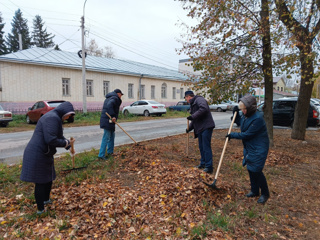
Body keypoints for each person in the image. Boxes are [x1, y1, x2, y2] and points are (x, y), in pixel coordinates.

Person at [20, 101, 76, 214]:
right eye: (69, 115)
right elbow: (51, 139)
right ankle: (40, 209)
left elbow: (58, 136)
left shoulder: (55, 118)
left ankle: (46, 200)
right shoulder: (52, 118)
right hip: (37, 153)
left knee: (48, 178)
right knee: (40, 181)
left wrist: (69, 145)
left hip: (45, 153)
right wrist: (66, 143)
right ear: (64, 112)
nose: (68, 118)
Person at [226, 94, 270, 204]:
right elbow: (240, 122)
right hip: (250, 147)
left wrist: (232, 135)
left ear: (250, 108)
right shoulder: (247, 116)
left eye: (243, 109)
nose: (243, 111)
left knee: (256, 171)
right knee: (250, 169)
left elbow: (247, 134)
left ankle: (265, 193)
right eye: (241, 109)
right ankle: (254, 191)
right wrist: (235, 114)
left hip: (259, 148)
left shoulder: (258, 119)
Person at [185, 90, 215, 173]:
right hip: (200, 128)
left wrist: (193, 116)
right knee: (201, 147)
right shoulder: (193, 104)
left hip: (206, 126)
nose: (186, 100)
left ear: (188, 97)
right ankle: (203, 164)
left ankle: (209, 167)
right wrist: (189, 128)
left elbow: (204, 109)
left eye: (186, 98)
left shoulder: (199, 99)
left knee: (206, 147)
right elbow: (195, 119)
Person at [98, 89, 123, 160]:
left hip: (110, 121)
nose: (121, 96)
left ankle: (110, 152)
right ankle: (101, 155)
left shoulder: (110, 97)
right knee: (106, 137)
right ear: (118, 94)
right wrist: (113, 116)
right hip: (108, 120)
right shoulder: (114, 98)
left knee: (112, 136)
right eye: (121, 95)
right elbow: (109, 105)